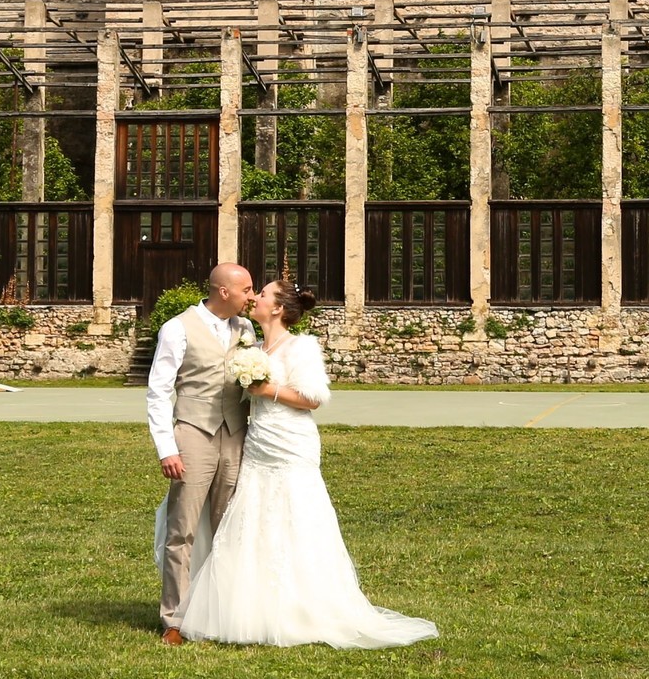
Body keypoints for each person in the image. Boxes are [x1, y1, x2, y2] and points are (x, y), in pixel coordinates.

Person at [180, 279, 438, 650]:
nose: (255, 298)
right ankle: (254, 607)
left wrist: (266, 389)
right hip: (258, 443)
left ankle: (304, 606)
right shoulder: (251, 344)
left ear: (279, 308)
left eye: (263, 294)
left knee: (296, 515)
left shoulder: (301, 347)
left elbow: (313, 397)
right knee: (253, 515)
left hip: (290, 444)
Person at [148, 263, 256, 645]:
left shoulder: (245, 329)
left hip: (236, 433)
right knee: (184, 530)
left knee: (228, 526)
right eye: (246, 288)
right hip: (193, 433)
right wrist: (167, 448)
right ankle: (174, 619)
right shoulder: (177, 328)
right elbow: (159, 392)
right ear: (223, 291)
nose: (252, 295)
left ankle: (221, 611)